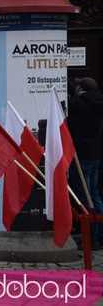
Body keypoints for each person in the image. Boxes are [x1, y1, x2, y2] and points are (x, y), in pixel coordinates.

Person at [68, 77, 103, 244]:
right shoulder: (98, 101)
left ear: (81, 89)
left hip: (83, 154)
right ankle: (98, 234)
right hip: (96, 154)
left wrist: (75, 95)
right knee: (95, 194)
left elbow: (72, 123)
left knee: (85, 195)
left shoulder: (79, 104)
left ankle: (91, 238)